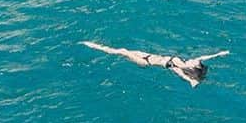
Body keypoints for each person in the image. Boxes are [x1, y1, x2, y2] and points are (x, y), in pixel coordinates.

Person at [81, 41, 229, 88]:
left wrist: (192, 81)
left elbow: (184, 76)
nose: (195, 59)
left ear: (193, 68)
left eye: (196, 62)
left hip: (146, 62)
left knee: (121, 51)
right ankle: (94, 45)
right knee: (123, 50)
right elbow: (204, 57)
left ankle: (93, 45)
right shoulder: (190, 63)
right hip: (150, 56)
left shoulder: (178, 68)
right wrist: (219, 54)